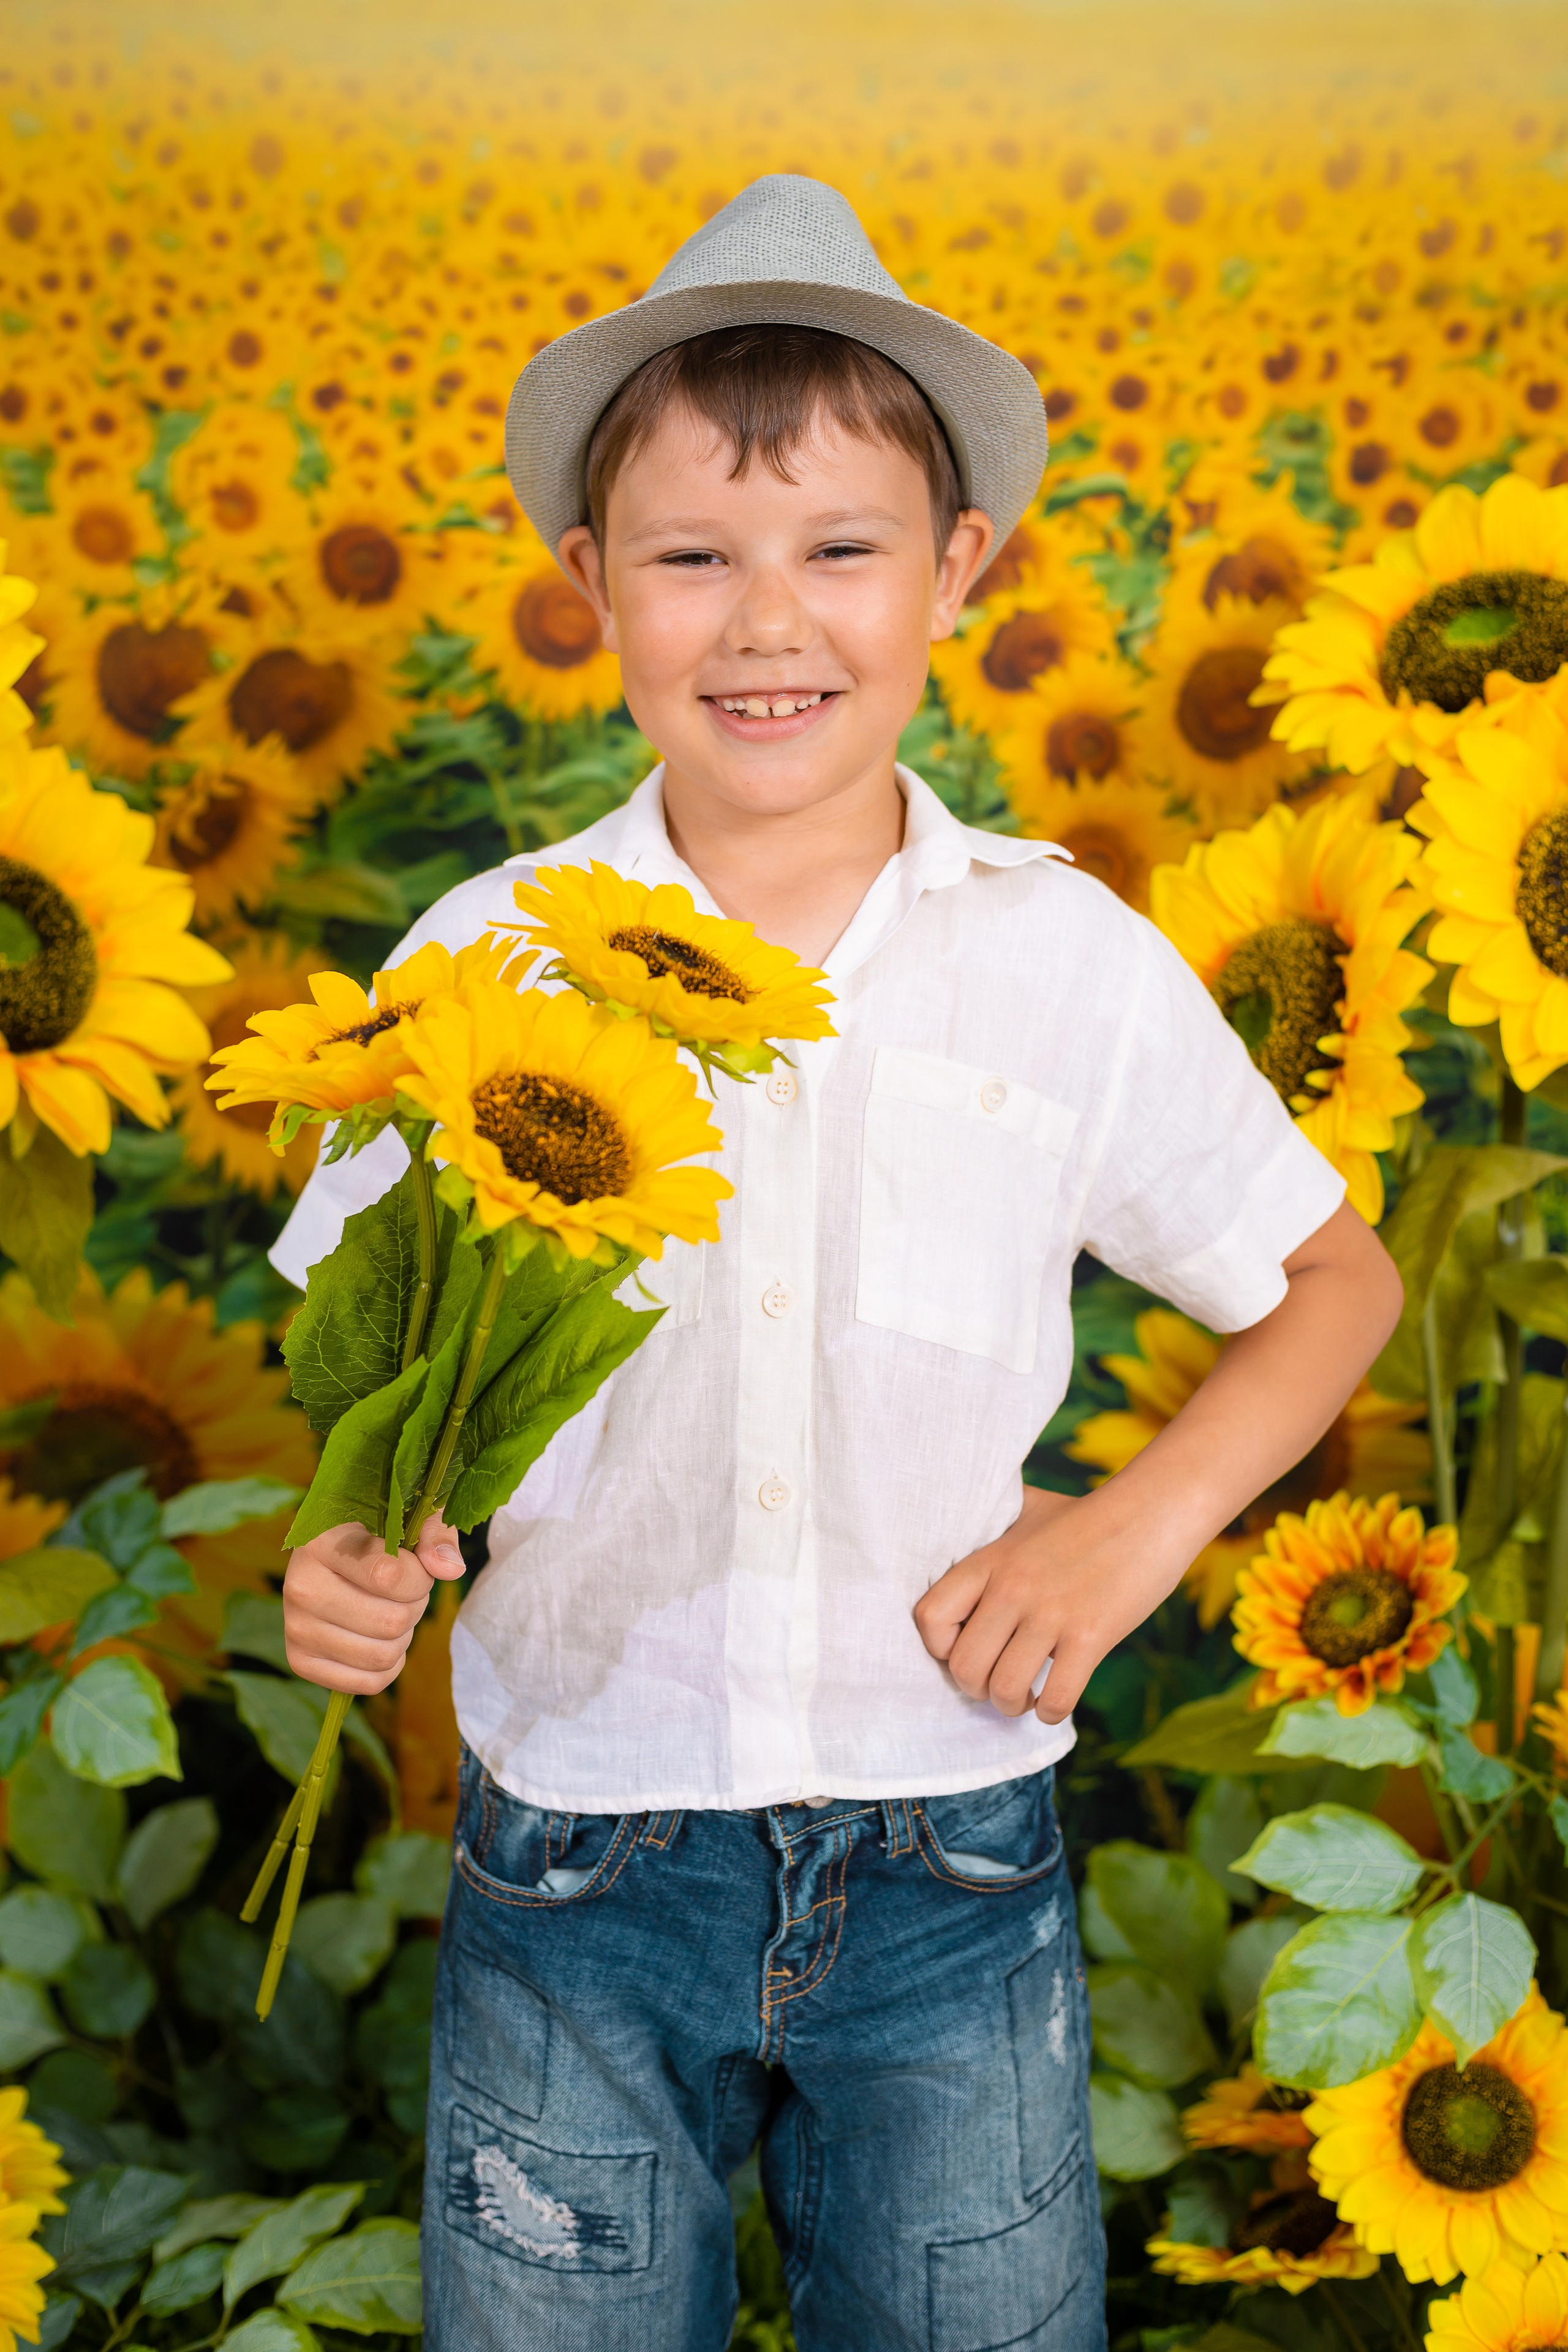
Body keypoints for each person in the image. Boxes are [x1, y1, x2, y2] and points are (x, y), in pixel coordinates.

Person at [271, 175, 1404, 2352]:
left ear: (959, 569)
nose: (765, 621)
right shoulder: (482, 962)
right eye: (694, 557)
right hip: (575, 1861)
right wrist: (347, 1543)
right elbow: (367, 1379)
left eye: (840, 551)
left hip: (953, 1855)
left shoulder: (1060, 962)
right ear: (591, 584)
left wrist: (1126, 1538)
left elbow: (1332, 1282)